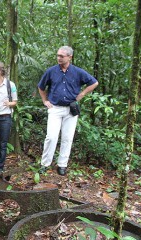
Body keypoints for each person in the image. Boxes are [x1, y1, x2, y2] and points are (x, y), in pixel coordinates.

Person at [37, 46, 98, 176]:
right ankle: (45, 164)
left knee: (67, 138)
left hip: (71, 109)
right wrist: (45, 101)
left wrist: (82, 94)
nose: (59, 58)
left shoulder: (77, 72)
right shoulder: (51, 71)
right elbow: (41, 87)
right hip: (55, 109)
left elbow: (94, 83)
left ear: (70, 57)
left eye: (62, 56)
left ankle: (62, 165)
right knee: (51, 137)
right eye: (58, 55)